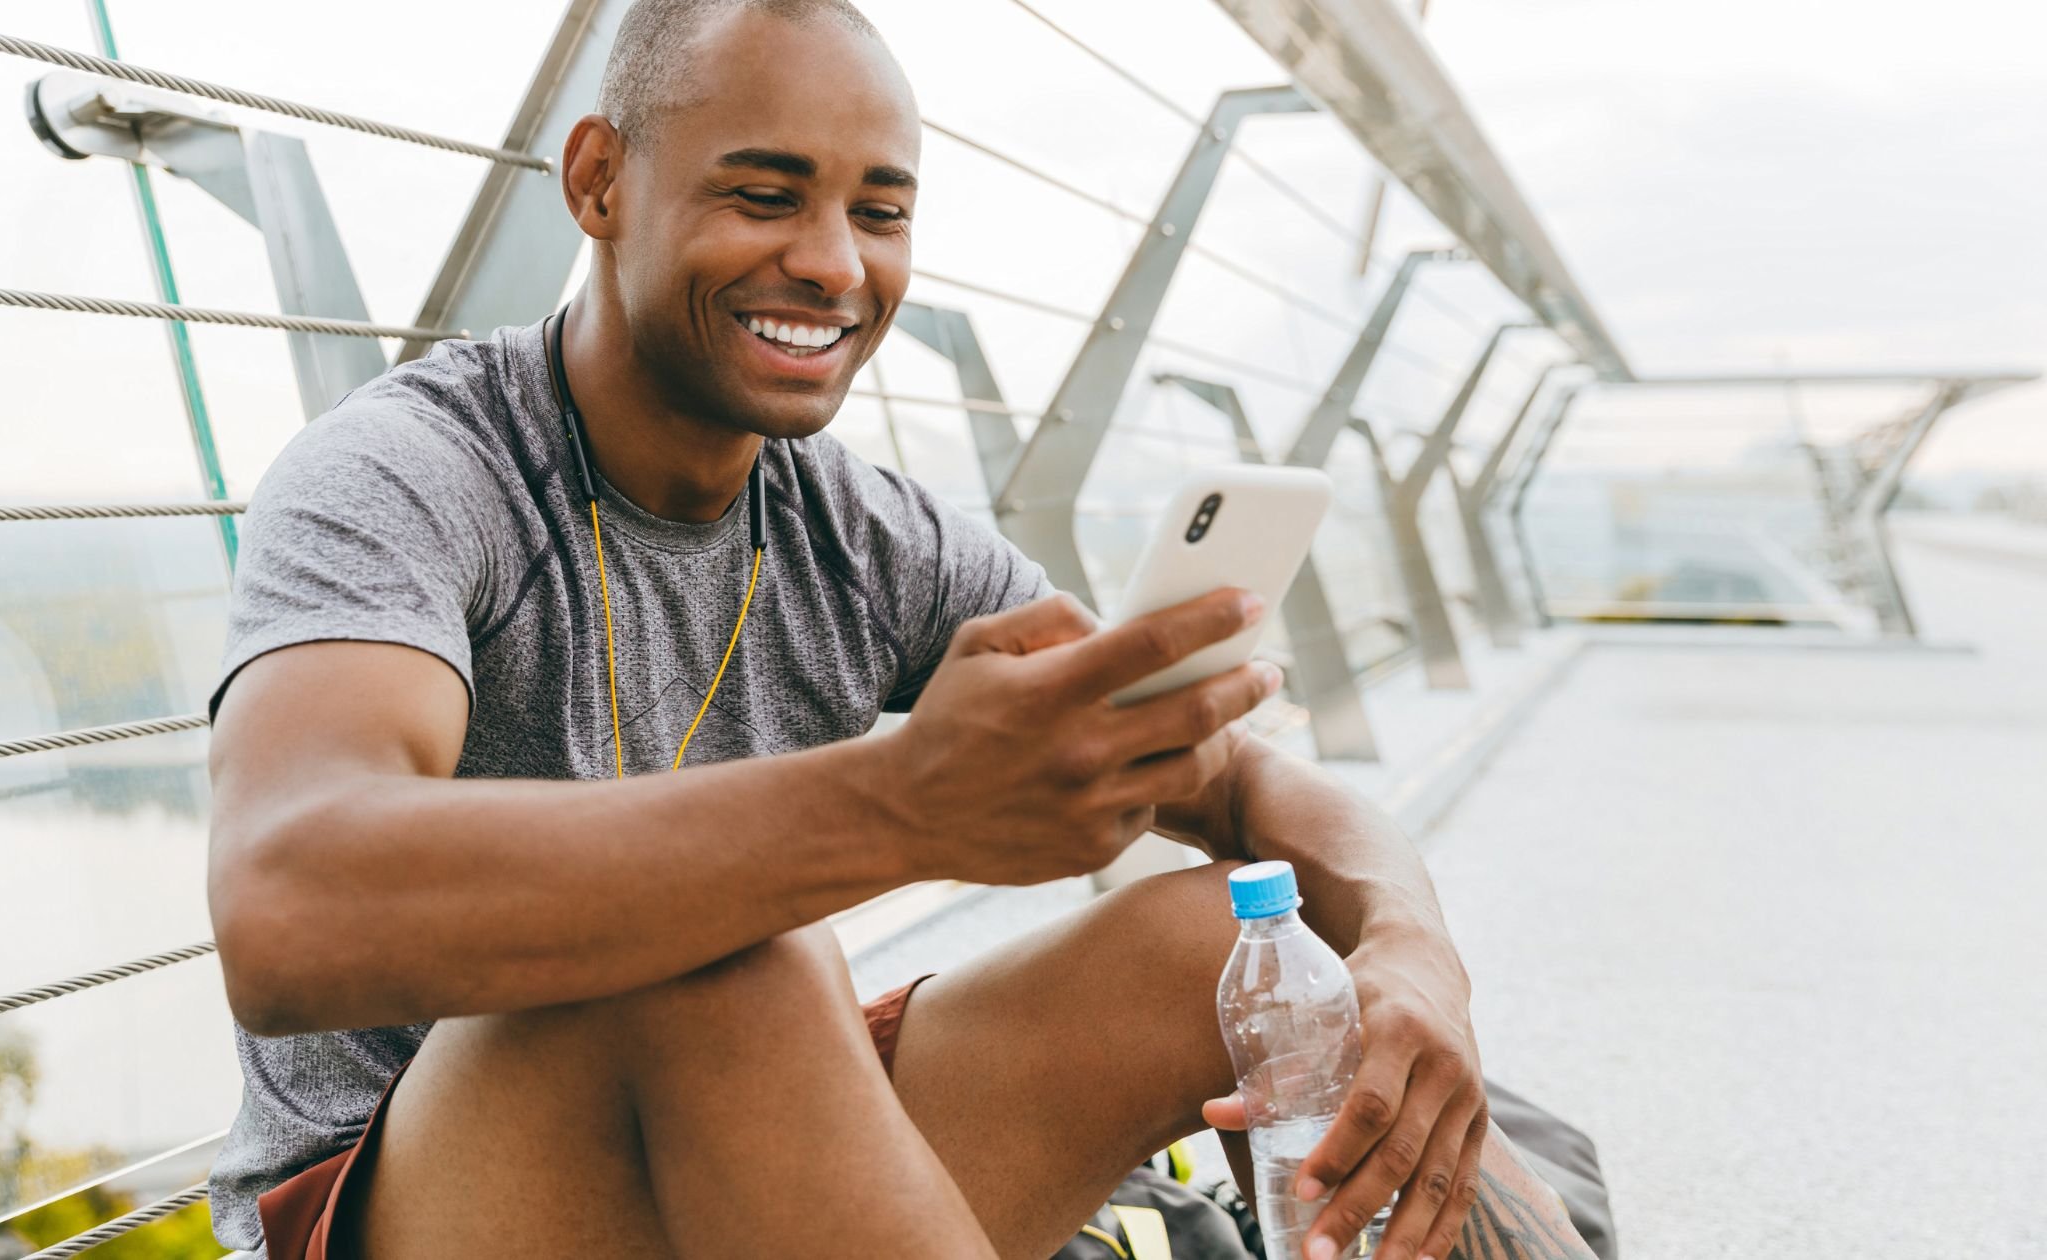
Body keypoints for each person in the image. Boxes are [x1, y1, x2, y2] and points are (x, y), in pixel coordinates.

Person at [202, 1, 1594, 1257]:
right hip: (402, 1202)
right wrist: (901, 807)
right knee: (729, 954)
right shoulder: (412, 472)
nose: (830, 265)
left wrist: (1415, 946)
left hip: (730, 1130)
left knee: (1209, 944)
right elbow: (284, 909)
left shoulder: (862, 530)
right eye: (763, 197)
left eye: (880, 214)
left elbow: (1238, 785)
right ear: (597, 181)